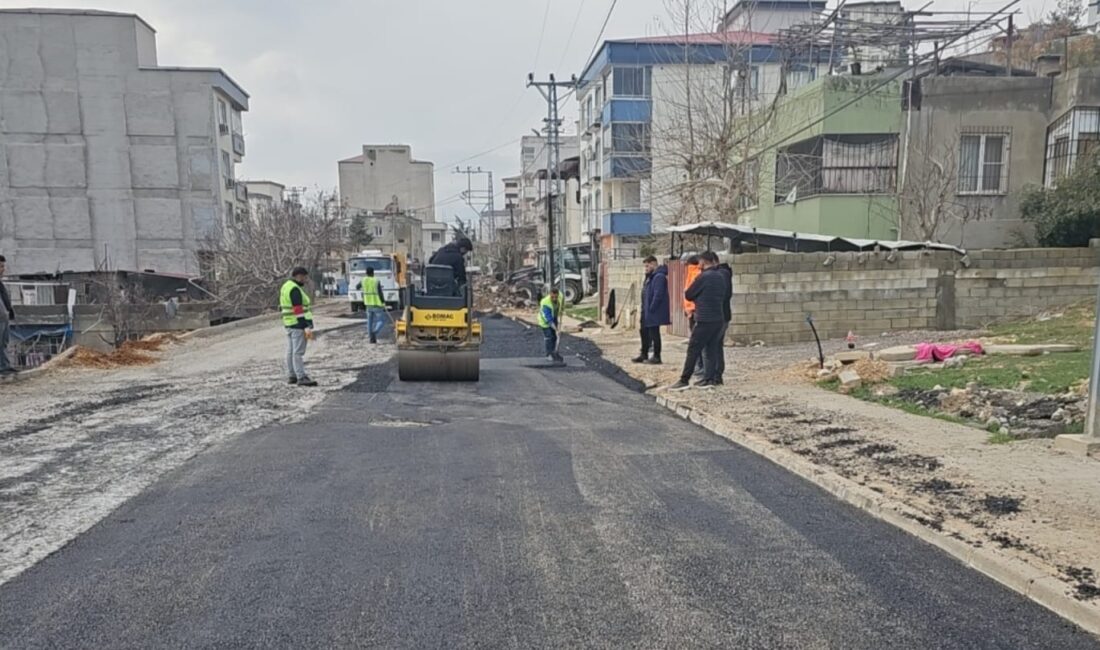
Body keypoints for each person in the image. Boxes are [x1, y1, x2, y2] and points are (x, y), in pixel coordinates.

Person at [669, 251, 727, 391]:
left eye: (700, 262)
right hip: (718, 318)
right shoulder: (721, 276)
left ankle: (684, 380)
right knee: (711, 348)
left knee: (693, 349)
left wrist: (698, 297)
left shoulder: (703, 277)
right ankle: (709, 379)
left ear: (704, 262)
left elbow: (689, 294)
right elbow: (724, 295)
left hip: (704, 319)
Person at [280, 267, 317, 387]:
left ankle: (292, 375)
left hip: (289, 323)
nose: (305, 280)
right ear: (299, 276)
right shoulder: (295, 289)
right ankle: (301, 376)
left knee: (291, 351)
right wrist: (305, 325)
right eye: (305, 277)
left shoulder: (286, 286)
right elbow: (298, 309)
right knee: (298, 352)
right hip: (298, 324)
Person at [634, 256, 669, 365]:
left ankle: (657, 356)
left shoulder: (659, 277)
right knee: (644, 332)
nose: (646, 268)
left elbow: (658, 295)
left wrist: (652, 308)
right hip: (646, 309)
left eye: (647, 266)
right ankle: (644, 353)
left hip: (653, 311)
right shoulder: (650, 277)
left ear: (654, 264)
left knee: (654, 333)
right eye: (645, 266)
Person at [682, 255, 704, 378]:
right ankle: (699, 365)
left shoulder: (694, 274)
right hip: (693, 310)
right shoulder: (695, 273)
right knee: (696, 341)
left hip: (694, 311)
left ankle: (699, 365)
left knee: (696, 341)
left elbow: (690, 294)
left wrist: (689, 309)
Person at [714, 261, 734, 385]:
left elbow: (724, 296)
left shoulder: (722, 274)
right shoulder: (724, 274)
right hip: (721, 315)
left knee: (715, 345)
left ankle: (717, 375)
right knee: (716, 345)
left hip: (720, 316)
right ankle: (715, 374)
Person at [538, 286, 565, 363]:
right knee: (549, 337)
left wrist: (562, 309)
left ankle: (554, 353)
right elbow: (548, 320)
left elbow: (562, 304)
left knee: (555, 337)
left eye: (556, 297)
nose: (554, 299)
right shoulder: (545, 303)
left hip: (554, 317)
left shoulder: (560, 296)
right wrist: (556, 329)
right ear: (550, 294)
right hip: (545, 321)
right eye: (552, 297)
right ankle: (549, 355)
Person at [360, 267, 386, 344]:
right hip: (377, 304)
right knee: (381, 320)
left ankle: (370, 337)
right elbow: (380, 293)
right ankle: (374, 332)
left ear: (366, 273)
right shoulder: (376, 280)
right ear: (373, 272)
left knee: (369, 321)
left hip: (368, 304)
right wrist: (383, 302)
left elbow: (357, 287)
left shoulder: (363, 280)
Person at [0, 255, 15, 374]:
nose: (3, 269)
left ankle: (5, 366)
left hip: (3, 318)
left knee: (4, 342)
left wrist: (10, 310)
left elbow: (5, 298)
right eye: (0, 266)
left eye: (3, 266)